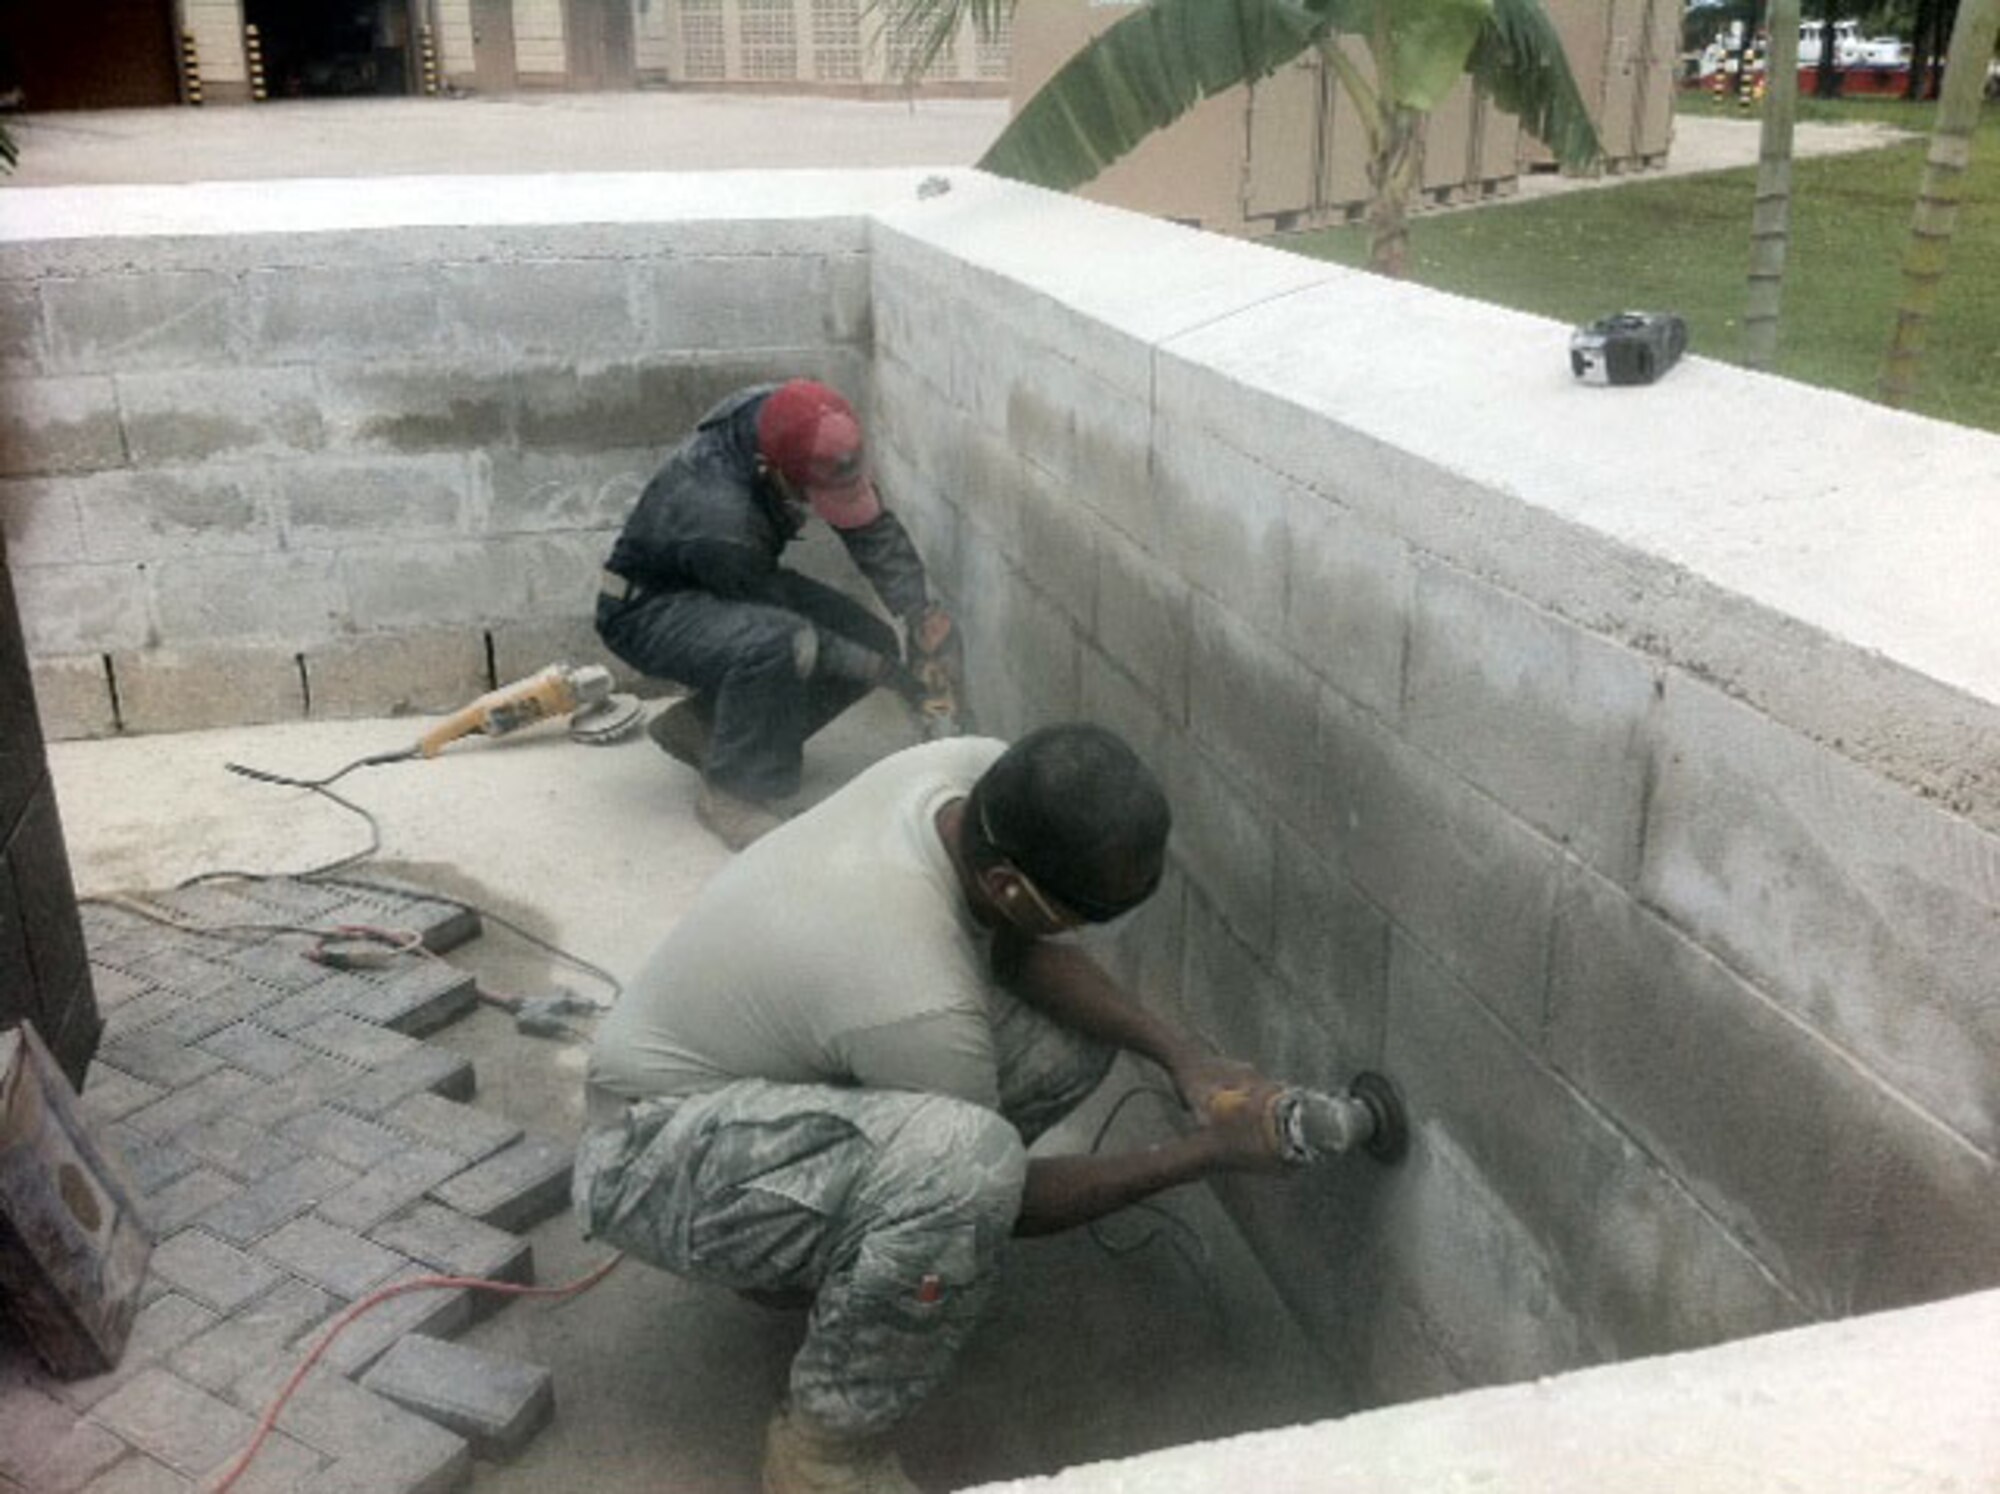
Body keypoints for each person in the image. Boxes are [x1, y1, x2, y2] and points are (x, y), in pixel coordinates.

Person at [574, 723, 1295, 1494]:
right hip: (648, 1153)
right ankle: (824, 1451)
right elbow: (1008, 1194)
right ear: (1010, 887)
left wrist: (1180, 1056)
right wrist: (1202, 1156)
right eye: (1091, 914)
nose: (1094, 931)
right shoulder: (915, 999)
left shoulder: (972, 776)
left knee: (1073, 1038)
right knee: (967, 1170)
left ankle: (847, 1248)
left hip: (742, 1079)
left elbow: (1020, 951)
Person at [596, 379, 965, 851]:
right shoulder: (722, 521)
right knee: (781, 645)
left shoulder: (797, 421)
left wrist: (920, 612)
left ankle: (701, 728)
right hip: (648, 609)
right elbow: (791, 632)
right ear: (770, 469)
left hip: (725, 579)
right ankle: (731, 794)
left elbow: (866, 526)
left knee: (869, 639)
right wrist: (887, 675)